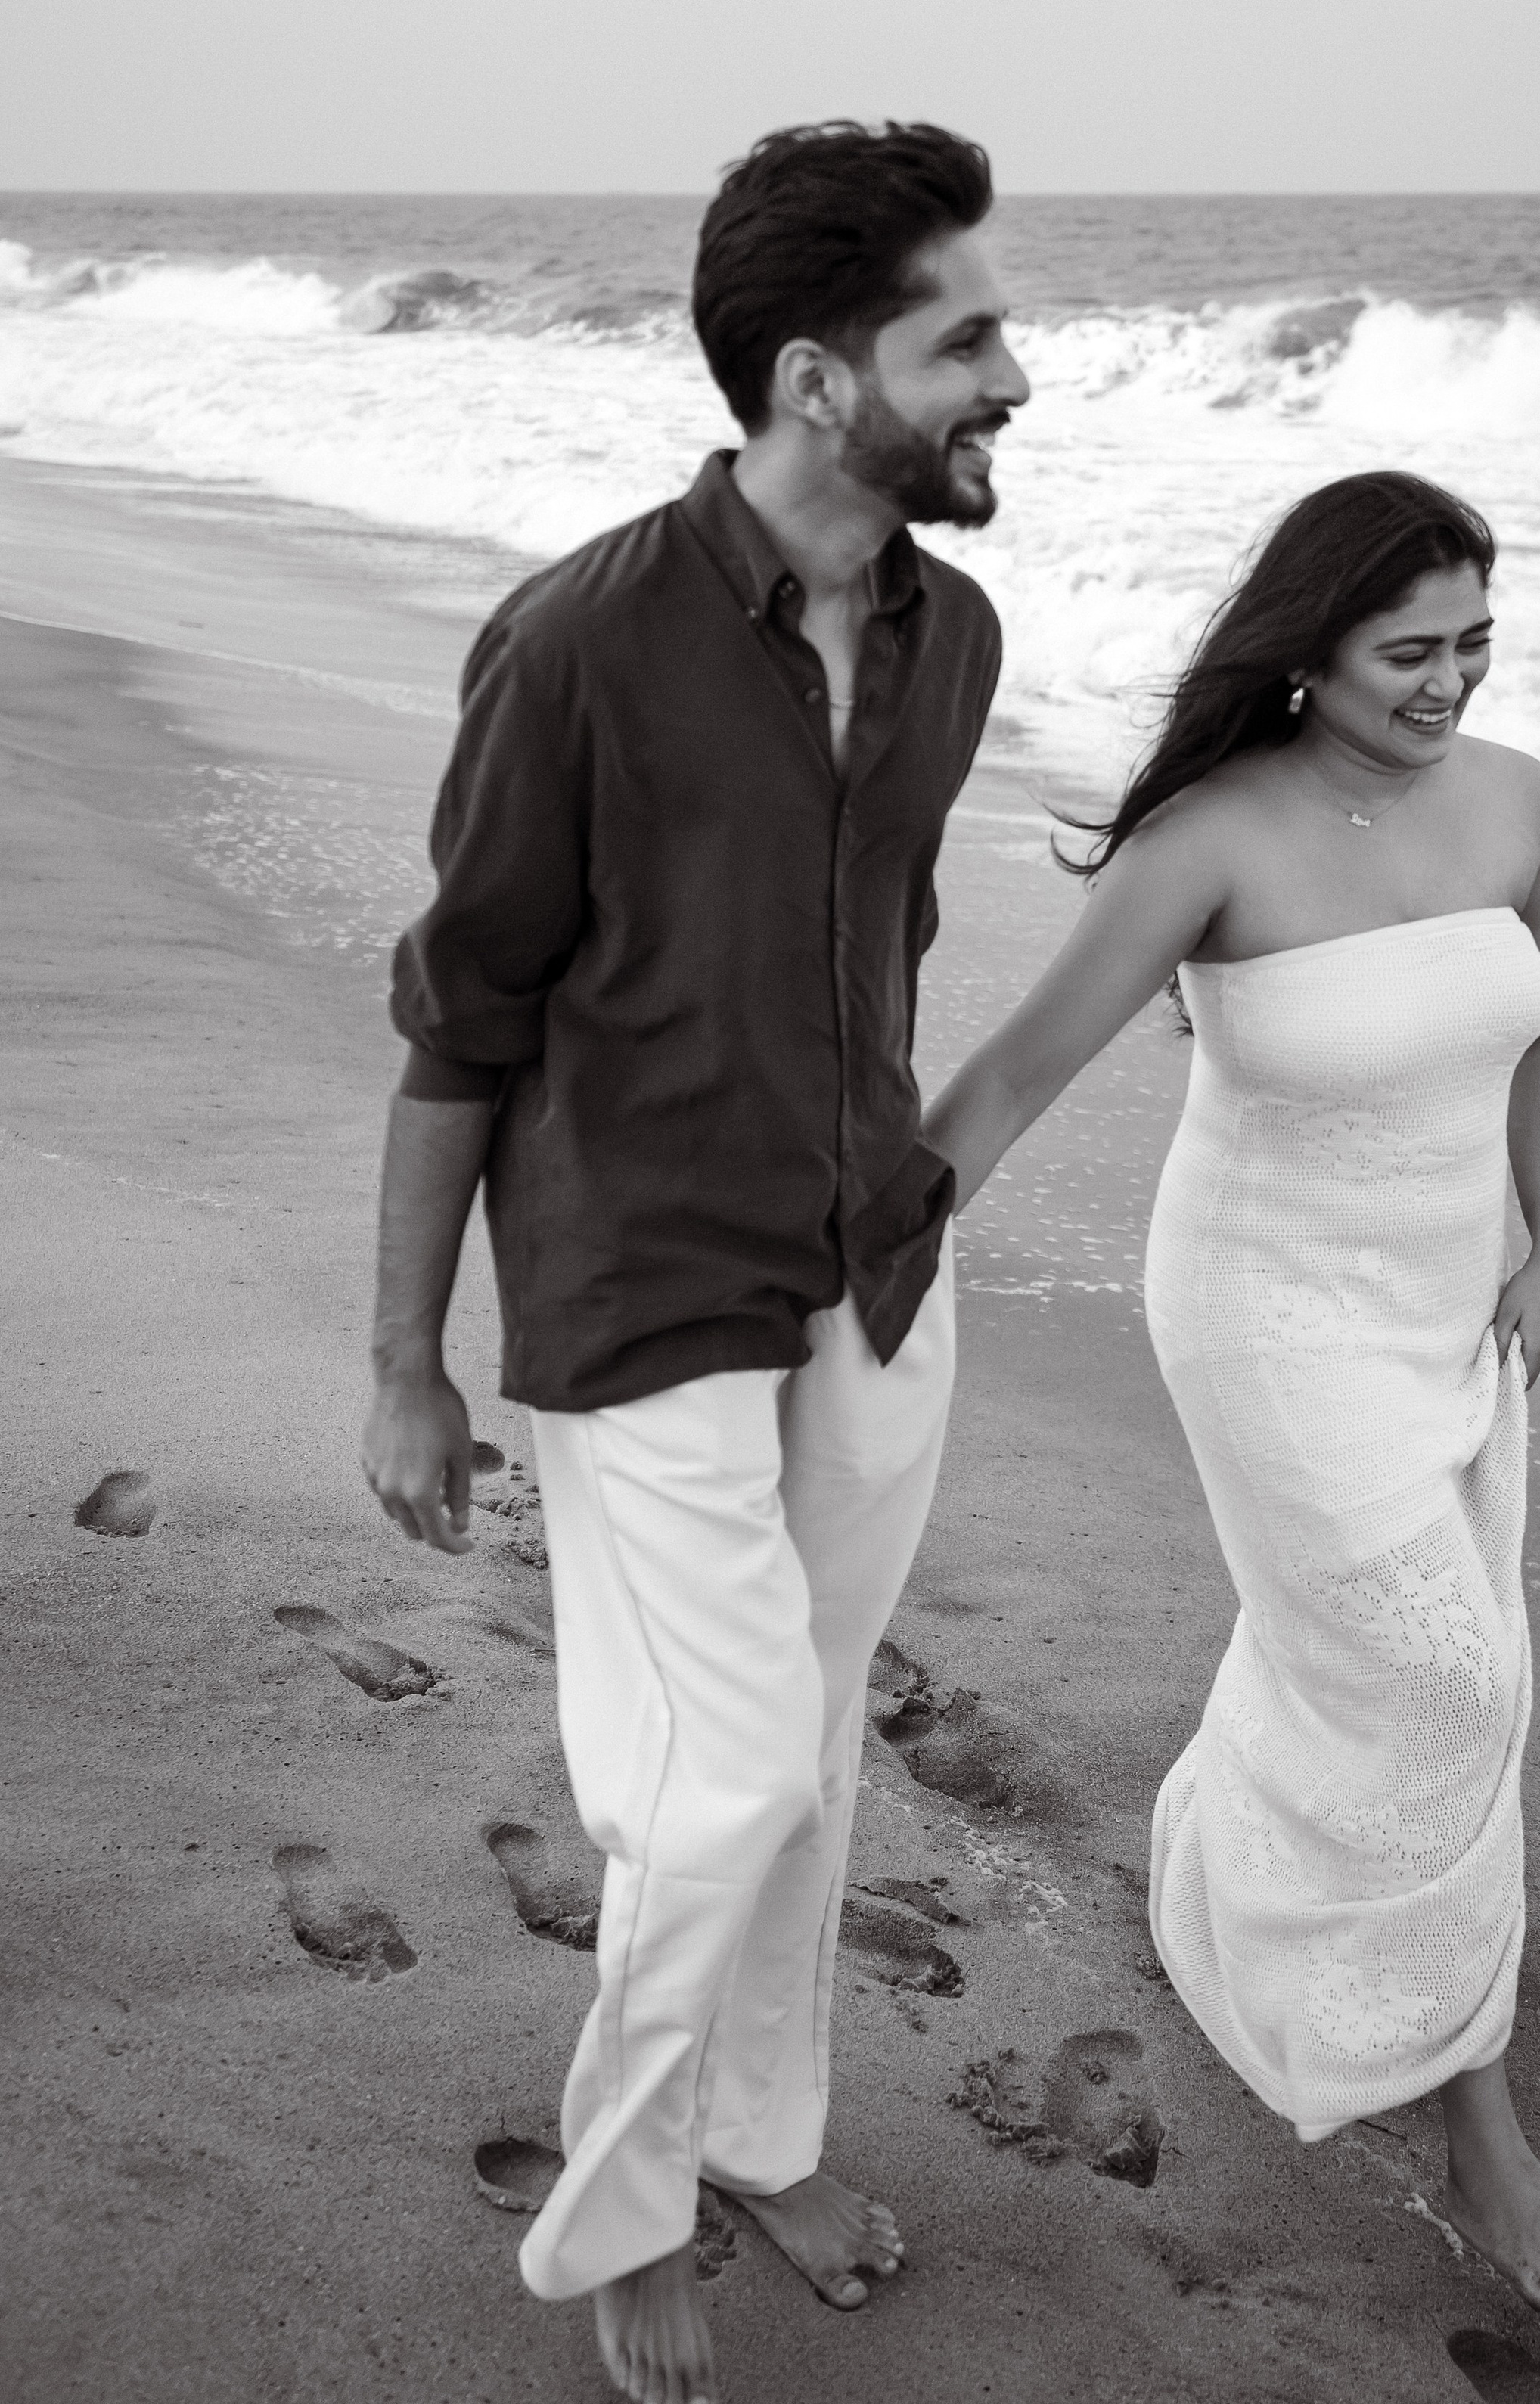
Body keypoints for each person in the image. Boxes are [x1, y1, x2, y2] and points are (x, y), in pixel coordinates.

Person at [362, 120, 1029, 2404]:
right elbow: (465, 1017)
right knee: (720, 1777)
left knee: (811, 1755)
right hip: (636, 1281)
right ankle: (624, 2211)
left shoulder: (957, 638)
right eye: (969, 335)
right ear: (826, 376)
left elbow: (887, 949)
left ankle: (760, 2132)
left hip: (869, 1269)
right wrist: (405, 1363)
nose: (1013, 377)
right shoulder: (576, 643)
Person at [924, 470, 1540, 2319]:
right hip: (1267, 1316)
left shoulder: (1516, 802)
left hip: (1448, 1301)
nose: (1448, 685)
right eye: (1405, 650)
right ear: (1305, 651)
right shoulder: (1213, 838)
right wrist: (843, 1255)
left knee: (1393, 1655)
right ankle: (1473, 2133)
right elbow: (1010, 1080)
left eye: (1474, 642)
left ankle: (1220, 1885)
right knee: (1445, 1675)